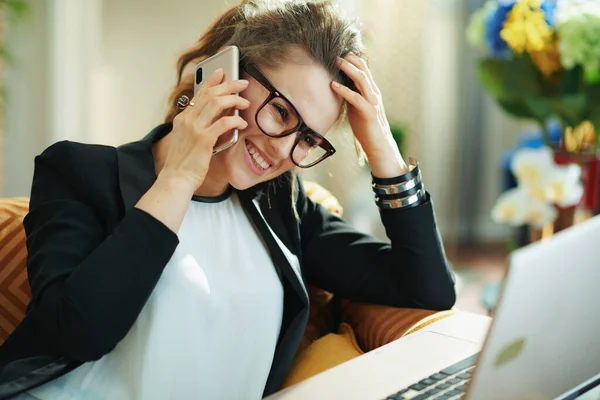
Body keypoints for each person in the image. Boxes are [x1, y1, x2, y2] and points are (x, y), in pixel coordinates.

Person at [0, 1, 456, 399]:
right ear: (224, 74)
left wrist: (383, 152)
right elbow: (79, 333)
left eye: (309, 138)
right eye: (281, 112)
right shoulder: (79, 172)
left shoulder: (283, 206)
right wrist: (180, 175)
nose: (283, 150)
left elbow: (428, 287)